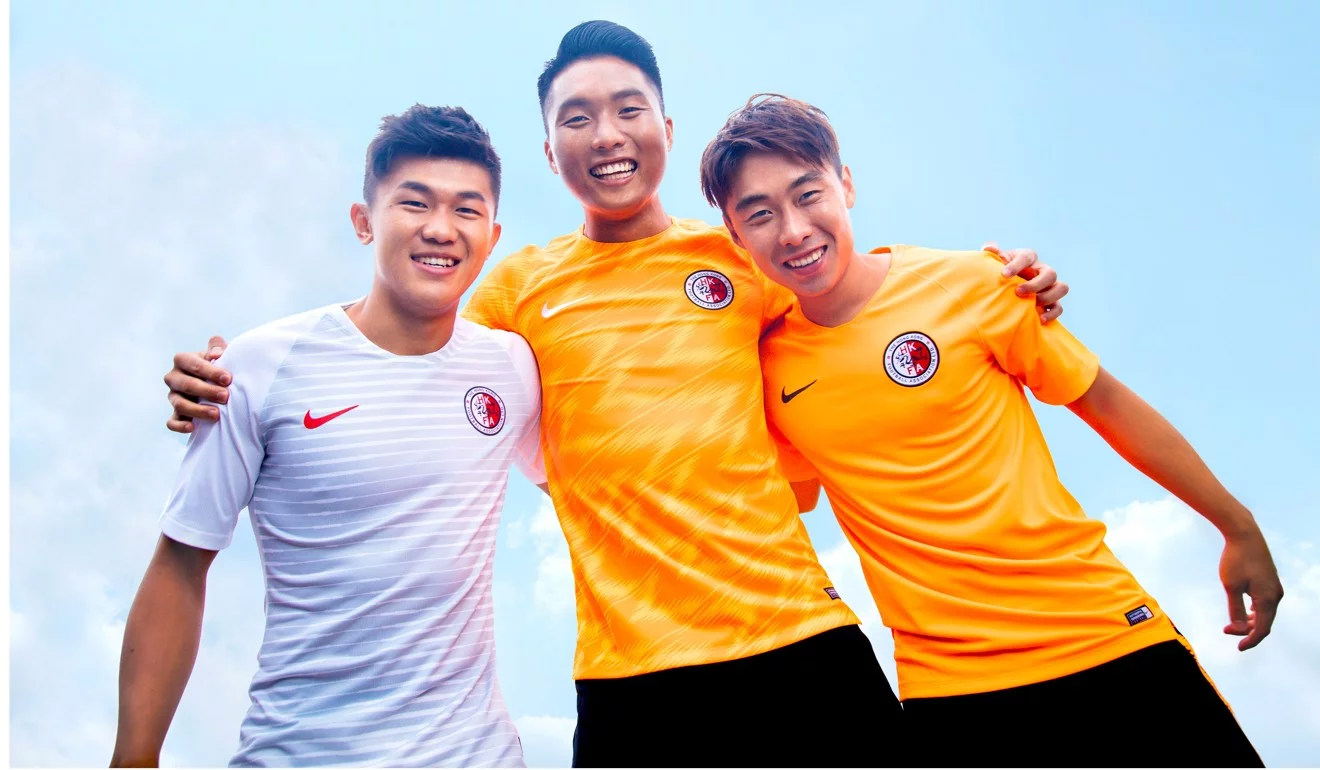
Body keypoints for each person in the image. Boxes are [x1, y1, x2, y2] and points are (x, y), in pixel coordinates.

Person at [156, 22, 1068, 767]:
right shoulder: (517, 291)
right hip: (632, 680)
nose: (607, 135)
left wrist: (1003, 278)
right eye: (578, 118)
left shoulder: (741, 256)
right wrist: (234, 375)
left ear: (666, 127)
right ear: (550, 152)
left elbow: (857, 295)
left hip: (801, 644)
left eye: (628, 109)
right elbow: (405, 338)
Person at [698, 93, 1283, 767]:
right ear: (736, 236)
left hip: (1106, 637)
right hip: (952, 691)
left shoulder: (978, 282)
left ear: (846, 184)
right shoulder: (765, 370)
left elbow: (1106, 403)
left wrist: (1236, 526)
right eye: (760, 214)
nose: (794, 230)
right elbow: (778, 508)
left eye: (809, 195)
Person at [111, 105, 542, 767]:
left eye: (466, 210)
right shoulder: (256, 367)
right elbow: (180, 564)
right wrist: (133, 757)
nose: (440, 228)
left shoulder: (512, 368)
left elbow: (598, 478)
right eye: (414, 203)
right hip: (301, 752)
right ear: (364, 221)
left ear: (492, 236)